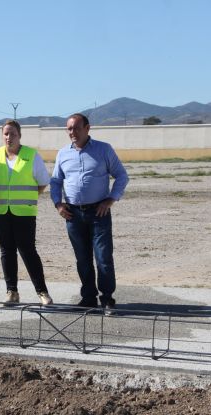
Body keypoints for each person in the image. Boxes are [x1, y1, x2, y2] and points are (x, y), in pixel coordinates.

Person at [50, 113, 129, 312]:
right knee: (82, 258)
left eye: (76, 128)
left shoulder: (104, 149)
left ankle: (107, 298)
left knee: (103, 257)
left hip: (98, 213)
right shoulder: (62, 154)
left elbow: (121, 175)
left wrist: (111, 199)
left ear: (87, 128)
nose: (72, 132)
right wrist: (58, 204)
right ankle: (88, 297)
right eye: (69, 128)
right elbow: (56, 181)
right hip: (73, 215)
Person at [0, 120, 53, 306]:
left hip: (24, 212)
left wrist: (27, 197)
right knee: (6, 251)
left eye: (13, 133)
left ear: (20, 135)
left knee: (28, 250)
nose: (9, 137)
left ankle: (42, 292)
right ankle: (12, 291)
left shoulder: (31, 155)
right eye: (6, 134)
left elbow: (42, 182)